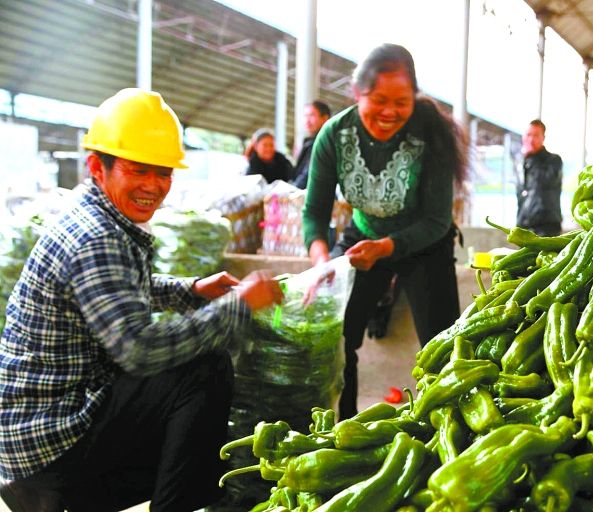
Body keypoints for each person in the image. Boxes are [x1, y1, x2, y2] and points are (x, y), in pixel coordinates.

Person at [0, 88, 284, 512]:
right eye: (138, 171)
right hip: (48, 453)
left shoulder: (94, 213)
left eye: (164, 173)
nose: (153, 186)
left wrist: (191, 289)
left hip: (30, 445)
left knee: (191, 441)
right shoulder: (99, 237)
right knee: (201, 369)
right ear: (99, 166)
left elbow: (117, 289)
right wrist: (238, 306)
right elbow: (140, 350)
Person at [302, 43, 468, 419]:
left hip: (425, 242)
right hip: (363, 236)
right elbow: (314, 213)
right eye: (379, 100)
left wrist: (388, 247)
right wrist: (322, 262)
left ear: (414, 98)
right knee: (338, 341)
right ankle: (342, 429)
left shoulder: (431, 136)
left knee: (442, 348)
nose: (390, 112)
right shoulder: (334, 136)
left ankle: (443, 429)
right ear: (357, 94)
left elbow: (436, 221)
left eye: (401, 102)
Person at [515, 119, 563, 236]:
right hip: (524, 227)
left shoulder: (554, 160)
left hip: (547, 228)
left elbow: (543, 181)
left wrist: (532, 159)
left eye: (536, 135)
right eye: (528, 135)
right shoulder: (521, 163)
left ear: (543, 138)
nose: (531, 139)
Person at [292, 100, 331, 190]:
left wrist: (292, 191)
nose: (307, 120)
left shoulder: (325, 142)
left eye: (312, 115)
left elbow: (308, 174)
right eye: (305, 116)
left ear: (325, 118)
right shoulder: (310, 142)